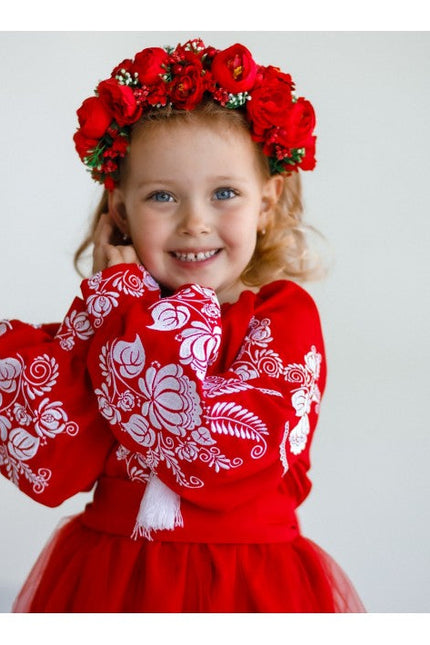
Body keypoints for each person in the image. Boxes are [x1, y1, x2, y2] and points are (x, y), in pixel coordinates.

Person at [0, 38, 365, 612]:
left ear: (266, 203)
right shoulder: (107, 316)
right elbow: (49, 460)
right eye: (163, 196)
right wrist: (108, 308)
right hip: (111, 579)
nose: (196, 222)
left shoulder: (283, 319)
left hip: (245, 582)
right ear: (120, 211)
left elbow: (210, 448)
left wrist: (127, 313)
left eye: (225, 193)